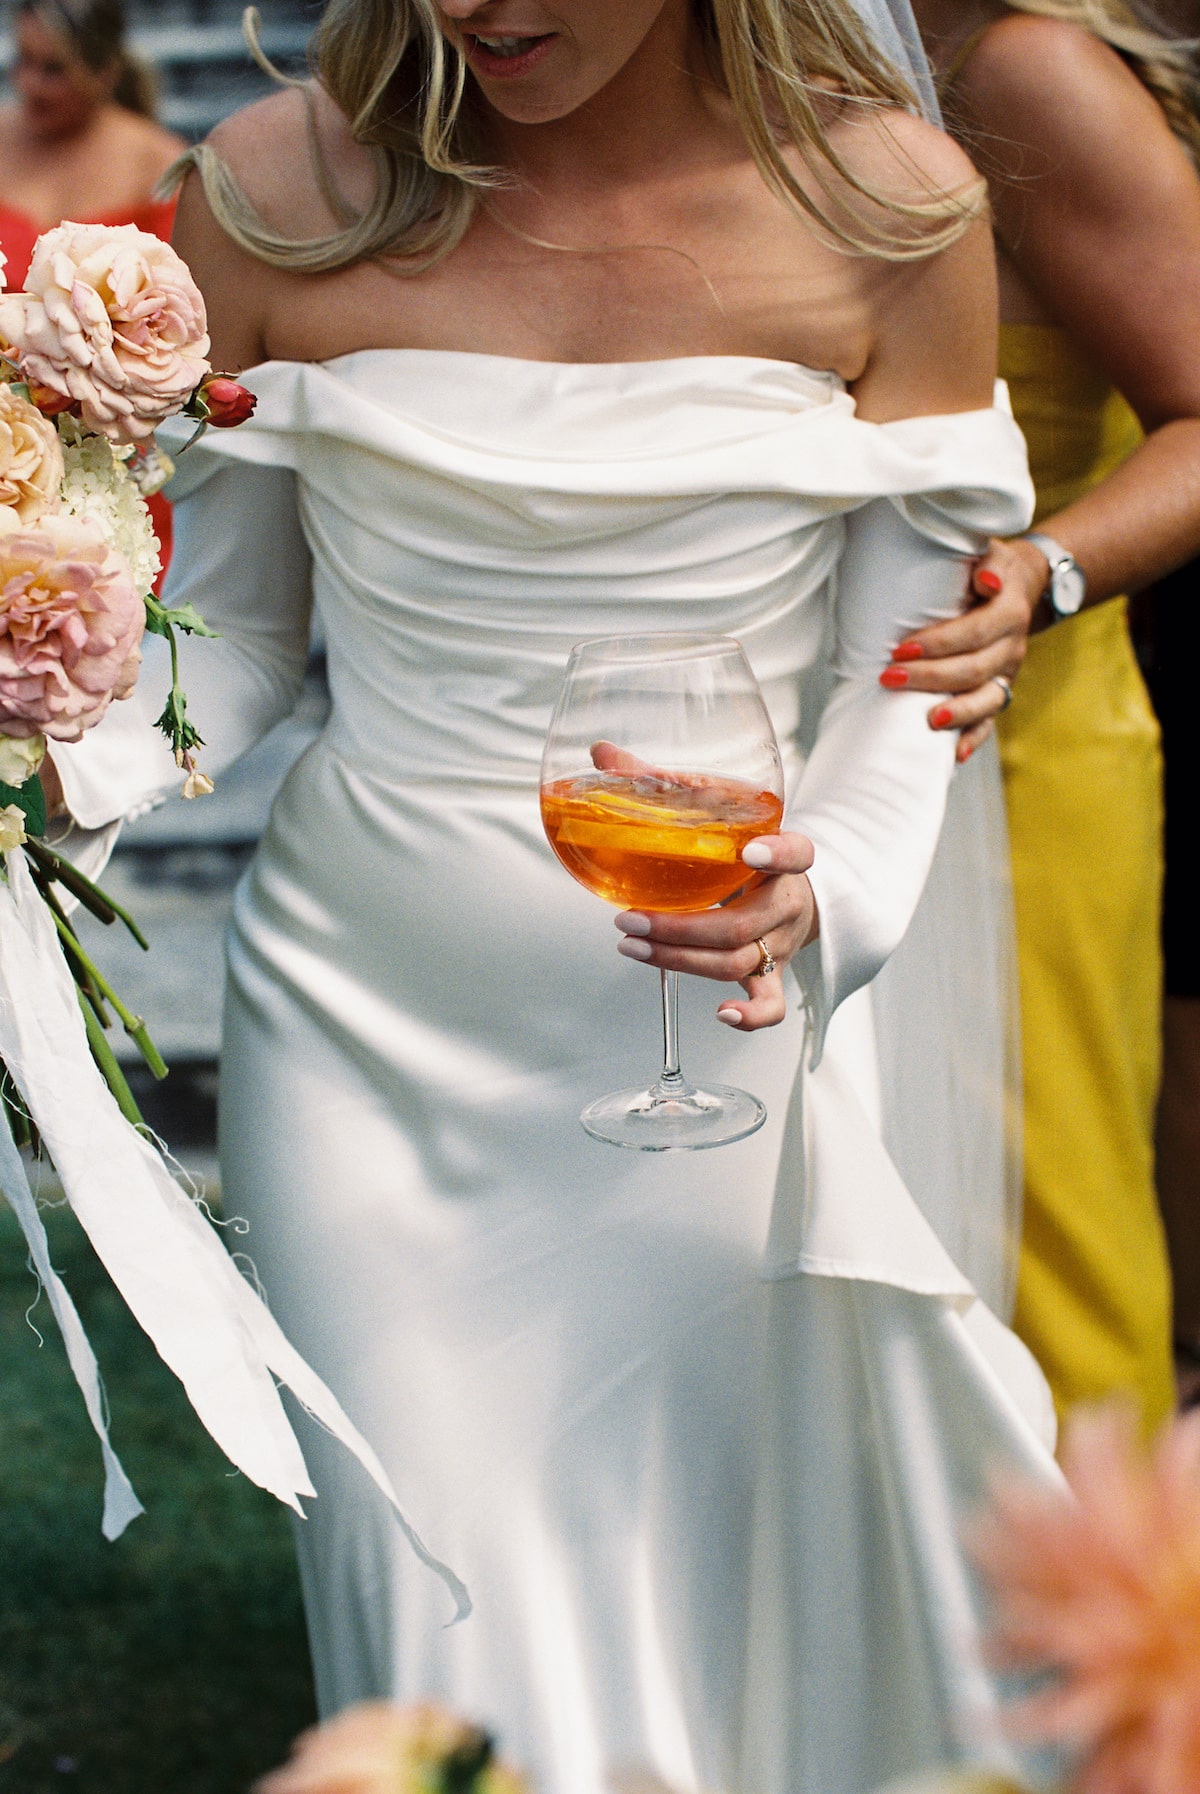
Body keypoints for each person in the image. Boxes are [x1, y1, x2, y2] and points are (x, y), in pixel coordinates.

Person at [44, 2, 1060, 1790]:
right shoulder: (278, 193)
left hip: (715, 1042)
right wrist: (64, 780)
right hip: (367, 1046)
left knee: (688, 1593)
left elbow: (907, 671)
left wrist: (833, 893)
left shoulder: (899, 208)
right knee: (446, 1607)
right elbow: (252, 632)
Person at [887, 0, 1200, 1432]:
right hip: (822, 754)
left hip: (1018, 757)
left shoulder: (1023, 68)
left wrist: (1040, 573)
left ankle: (1118, 1634)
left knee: (1047, 1244)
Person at [0, 0, 184, 572]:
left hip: (105, 454)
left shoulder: (160, 163)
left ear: (104, 70)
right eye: (22, 61)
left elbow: (174, 331)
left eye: (53, 68)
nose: (30, 84)